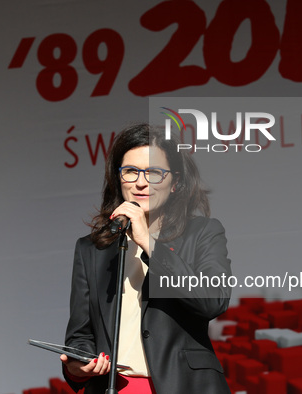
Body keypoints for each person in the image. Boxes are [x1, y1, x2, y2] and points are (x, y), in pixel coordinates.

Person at [61, 123, 232, 394]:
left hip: (184, 386)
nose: (141, 182)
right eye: (130, 172)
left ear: (175, 183)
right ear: (118, 179)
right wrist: (77, 364)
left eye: (154, 172)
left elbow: (213, 300)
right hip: (116, 388)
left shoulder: (202, 233)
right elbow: (80, 335)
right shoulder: (91, 249)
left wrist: (149, 244)